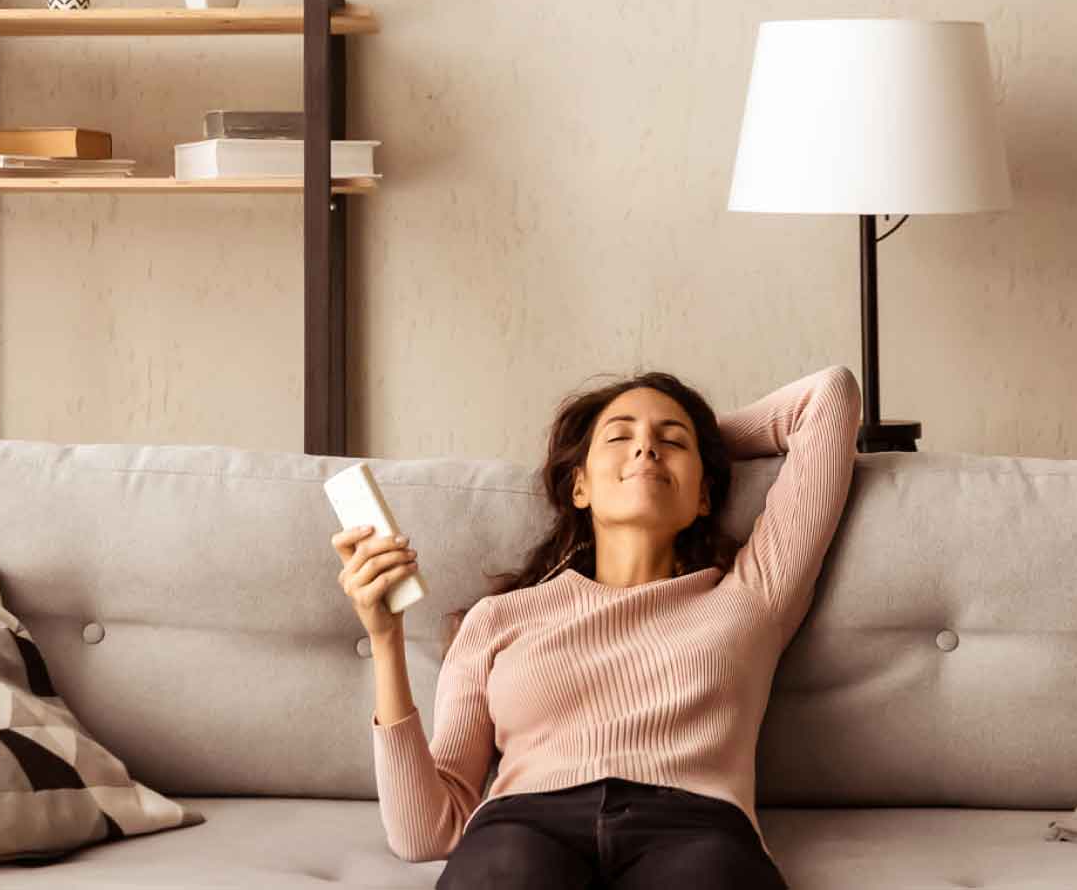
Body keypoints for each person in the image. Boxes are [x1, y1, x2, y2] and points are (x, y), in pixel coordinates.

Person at [331, 364, 861, 889]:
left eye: (670, 441)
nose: (646, 447)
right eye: (620, 436)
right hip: (522, 828)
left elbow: (827, 397)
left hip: (697, 830)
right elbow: (426, 833)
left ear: (704, 496)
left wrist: (698, 445)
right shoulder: (498, 619)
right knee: (503, 871)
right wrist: (386, 637)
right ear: (578, 485)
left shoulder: (752, 594)